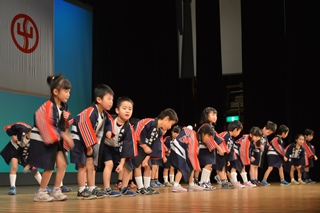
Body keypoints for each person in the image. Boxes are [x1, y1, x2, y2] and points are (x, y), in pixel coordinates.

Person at [28, 73, 74, 202]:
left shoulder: (64, 106)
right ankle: (41, 192)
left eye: (69, 91)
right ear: (55, 91)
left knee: (62, 163)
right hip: (45, 138)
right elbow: (46, 124)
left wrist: (66, 120)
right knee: (49, 166)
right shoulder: (48, 106)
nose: (68, 94)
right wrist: (64, 135)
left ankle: (56, 190)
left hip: (56, 138)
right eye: (65, 91)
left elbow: (64, 122)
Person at [70, 84, 114, 199]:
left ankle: (91, 187)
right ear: (99, 99)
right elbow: (82, 124)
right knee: (82, 166)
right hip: (79, 140)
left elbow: (109, 122)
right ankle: (81, 190)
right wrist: (89, 146)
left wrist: (109, 131)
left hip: (89, 142)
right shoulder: (90, 112)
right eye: (108, 99)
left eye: (112, 99)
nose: (111, 102)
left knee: (91, 166)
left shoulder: (104, 114)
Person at [132, 108, 178, 195]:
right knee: (137, 166)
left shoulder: (159, 132)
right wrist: (144, 146)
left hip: (146, 151)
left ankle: (147, 186)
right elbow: (136, 132)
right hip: (137, 147)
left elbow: (154, 147)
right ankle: (140, 187)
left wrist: (147, 157)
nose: (170, 127)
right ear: (166, 119)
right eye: (171, 124)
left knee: (148, 167)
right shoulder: (148, 122)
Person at [102, 96, 137, 197]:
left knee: (128, 166)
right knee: (109, 164)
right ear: (117, 110)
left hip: (118, 147)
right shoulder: (109, 119)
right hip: (106, 146)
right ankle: (107, 189)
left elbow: (126, 148)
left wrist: (121, 164)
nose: (127, 111)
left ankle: (124, 188)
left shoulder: (129, 129)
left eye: (130, 109)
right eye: (124, 108)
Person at [0, 122, 45, 195]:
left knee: (34, 169)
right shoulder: (21, 128)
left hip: (25, 152)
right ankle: (12, 187)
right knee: (14, 166)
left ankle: (43, 186)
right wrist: (13, 135)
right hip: (15, 148)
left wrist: (28, 165)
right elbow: (7, 127)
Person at [170, 125, 210, 192]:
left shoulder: (192, 133)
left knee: (190, 165)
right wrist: (197, 166)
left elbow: (185, 128)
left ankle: (191, 184)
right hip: (178, 149)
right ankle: (176, 185)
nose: (208, 139)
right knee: (182, 167)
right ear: (203, 133)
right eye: (208, 136)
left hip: (178, 148)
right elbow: (192, 154)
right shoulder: (194, 138)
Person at [195, 107, 225, 190]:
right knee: (208, 165)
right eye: (213, 114)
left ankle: (206, 182)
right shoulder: (206, 126)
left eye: (216, 115)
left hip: (209, 149)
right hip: (204, 149)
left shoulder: (210, 127)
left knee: (210, 166)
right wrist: (218, 148)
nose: (215, 116)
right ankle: (203, 182)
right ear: (206, 116)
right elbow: (207, 139)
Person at [217, 120, 243, 189]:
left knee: (224, 169)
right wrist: (222, 149)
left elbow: (230, 150)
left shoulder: (232, 138)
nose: (239, 133)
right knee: (220, 168)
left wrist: (228, 160)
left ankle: (225, 182)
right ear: (235, 129)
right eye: (239, 131)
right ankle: (223, 182)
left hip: (224, 156)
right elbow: (218, 141)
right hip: (218, 154)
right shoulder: (225, 134)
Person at [250, 121, 277, 186]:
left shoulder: (265, 137)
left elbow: (266, 144)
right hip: (254, 152)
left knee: (256, 167)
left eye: (270, 133)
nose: (268, 134)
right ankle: (252, 180)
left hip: (260, 154)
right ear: (264, 128)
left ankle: (255, 180)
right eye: (268, 132)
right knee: (252, 166)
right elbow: (252, 142)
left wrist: (268, 147)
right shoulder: (257, 133)